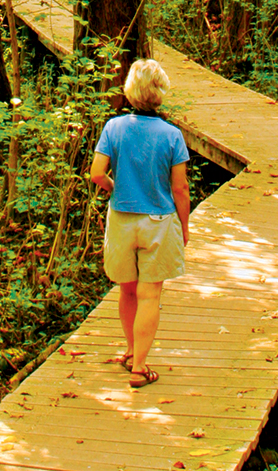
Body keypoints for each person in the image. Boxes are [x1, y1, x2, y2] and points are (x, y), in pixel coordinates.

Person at [89, 58, 190, 389]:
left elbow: (95, 173)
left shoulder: (113, 128)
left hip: (121, 218)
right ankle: (140, 367)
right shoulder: (172, 135)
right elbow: (180, 189)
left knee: (127, 290)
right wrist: (184, 228)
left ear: (130, 90)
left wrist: (114, 188)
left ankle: (131, 351)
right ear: (160, 92)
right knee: (150, 295)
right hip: (158, 221)